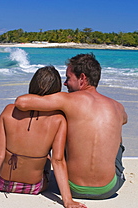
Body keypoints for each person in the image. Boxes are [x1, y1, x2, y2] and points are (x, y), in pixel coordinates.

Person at [0, 66, 87, 208]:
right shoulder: (58, 120)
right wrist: (67, 200)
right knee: (48, 157)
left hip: (3, 184)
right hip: (34, 187)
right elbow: (58, 161)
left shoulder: (8, 111)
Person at [15, 53, 128, 200]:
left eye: (68, 78)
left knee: (62, 120)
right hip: (108, 189)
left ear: (82, 78)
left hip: (71, 187)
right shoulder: (118, 107)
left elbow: (21, 102)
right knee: (116, 135)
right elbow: (124, 120)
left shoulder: (67, 100)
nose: (65, 84)